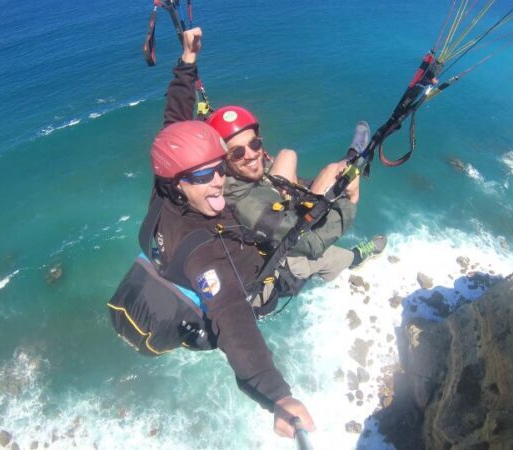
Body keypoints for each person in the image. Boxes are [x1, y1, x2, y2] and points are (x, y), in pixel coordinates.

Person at [163, 27, 387, 283]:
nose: (251, 155)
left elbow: (173, 129)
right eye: (237, 152)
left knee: (288, 155)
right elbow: (312, 243)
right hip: (277, 260)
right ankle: (357, 256)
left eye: (255, 144)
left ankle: (318, 188)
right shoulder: (246, 206)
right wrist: (350, 198)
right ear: (222, 159)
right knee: (326, 256)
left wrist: (188, 58)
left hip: (268, 206)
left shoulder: (224, 173)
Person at [148, 119, 315, 438]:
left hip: (210, 263)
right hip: (256, 289)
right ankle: (357, 257)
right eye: (202, 175)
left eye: (220, 168)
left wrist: (185, 69)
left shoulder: (162, 194)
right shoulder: (201, 251)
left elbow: (172, 122)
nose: (217, 182)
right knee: (309, 264)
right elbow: (230, 314)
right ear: (177, 183)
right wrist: (278, 395)